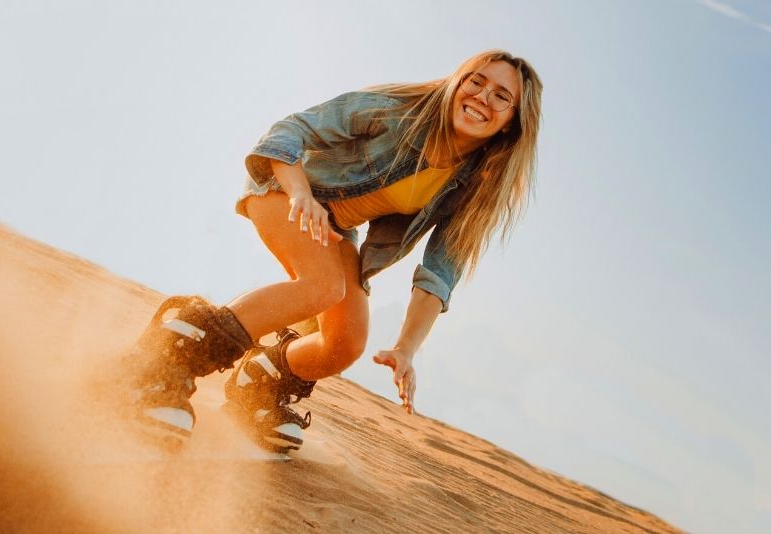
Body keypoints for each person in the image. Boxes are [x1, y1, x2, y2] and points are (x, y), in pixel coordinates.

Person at [127, 49, 542, 454]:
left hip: (336, 228)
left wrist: (406, 349)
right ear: (458, 82)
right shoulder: (397, 111)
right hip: (285, 188)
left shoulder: (473, 188)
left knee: (345, 343)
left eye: (500, 96)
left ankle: (260, 380)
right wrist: (301, 193)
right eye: (476, 81)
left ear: (511, 123)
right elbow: (292, 130)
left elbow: (439, 273)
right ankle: (167, 360)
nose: (481, 97)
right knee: (323, 286)